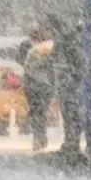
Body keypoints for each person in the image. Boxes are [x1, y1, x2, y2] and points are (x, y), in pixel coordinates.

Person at [50, 17, 85, 157]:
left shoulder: (65, 41)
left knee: (71, 115)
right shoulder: (73, 41)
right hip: (73, 84)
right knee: (73, 115)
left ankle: (71, 143)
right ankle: (72, 143)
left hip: (69, 84)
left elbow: (54, 59)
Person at [23, 23, 56, 151]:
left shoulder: (34, 51)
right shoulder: (52, 48)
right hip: (47, 86)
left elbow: (27, 68)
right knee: (41, 112)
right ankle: (41, 137)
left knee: (37, 113)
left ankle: (39, 138)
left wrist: (27, 84)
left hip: (34, 86)